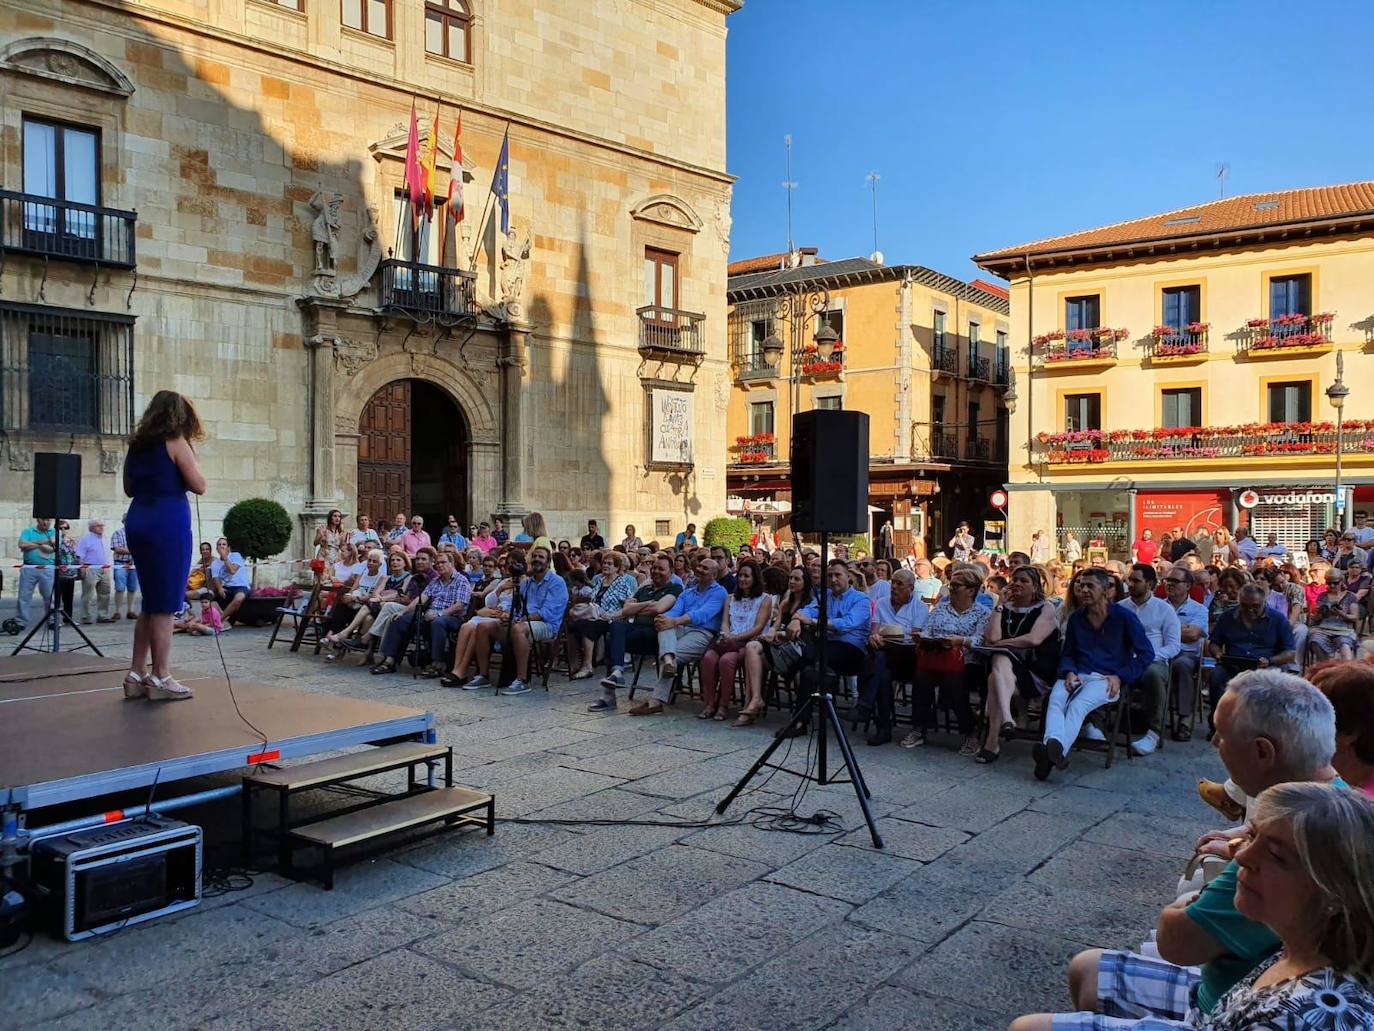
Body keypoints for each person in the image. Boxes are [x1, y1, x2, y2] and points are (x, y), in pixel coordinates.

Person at [1018, 671, 1348, 1030]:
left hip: (1229, 1008)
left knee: (1028, 1027)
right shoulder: (1338, 804)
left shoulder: (1289, 839)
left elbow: (1178, 941)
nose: (1214, 743)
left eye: (1221, 734)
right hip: (1248, 988)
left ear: (1262, 751)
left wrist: (1182, 906)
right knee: (1087, 969)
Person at [1012, 779, 1374, 1031]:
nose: (1244, 856)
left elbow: (1180, 942)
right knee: (1085, 972)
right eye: (1251, 836)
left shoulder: (1303, 1015)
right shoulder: (1309, 944)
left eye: (1276, 856)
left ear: (1332, 893)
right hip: (1214, 1016)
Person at [120, 391, 207, 701]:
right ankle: (161, 675)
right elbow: (199, 485)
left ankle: (135, 673)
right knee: (167, 604)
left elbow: (129, 488)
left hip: (139, 520)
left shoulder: (137, 445)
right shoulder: (176, 442)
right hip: (167, 523)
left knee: (150, 601)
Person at [1033, 567, 1153, 780]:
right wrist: (1069, 671)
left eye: (1090, 586)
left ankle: (1050, 751)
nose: (1083, 590)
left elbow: (1146, 654)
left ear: (1106, 590)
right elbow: (1068, 652)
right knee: (1056, 699)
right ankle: (1054, 752)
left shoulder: (1125, 618)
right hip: (1077, 673)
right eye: (1080, 585)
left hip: (1108, 678)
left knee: (1078, 705)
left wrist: (1121, 676)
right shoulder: (1077, 618)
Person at [977, 566, 1061, 762]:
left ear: (1035, 587)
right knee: (998, 664)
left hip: (1036, 670)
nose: (1017, 584)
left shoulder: (1045, 608)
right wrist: (999, 604)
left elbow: (1033, 640)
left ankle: (993, 741)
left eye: (1024, 581)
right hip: (1008, 675)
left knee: (997, 664)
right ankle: (1006, 721)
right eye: (1015, 579)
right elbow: (992, 637)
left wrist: (1001, 644)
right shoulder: (1004, 607)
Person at [628, 557, 726, 717]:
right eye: (699, 565)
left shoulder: (719, 593)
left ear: (714, 575)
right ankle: (668, 662)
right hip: (680, 628)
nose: (699, 569)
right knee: (664, 627)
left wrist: (674, 621)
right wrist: (665, 618)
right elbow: (674, 611)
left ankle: (657, 699)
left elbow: (702, 615)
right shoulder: (688, 592)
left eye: (705, 568)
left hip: (702, 633)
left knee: (671, 651)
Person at [904, 567, 988, 750]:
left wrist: (961, 641)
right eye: (950, 585)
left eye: (956, 586)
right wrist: (923, 636)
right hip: (937, 657)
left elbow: (982, 640)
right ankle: (919, 728)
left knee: (953, 682)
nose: (951, 589)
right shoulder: (941, 608)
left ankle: (969, 731)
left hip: (967, 662)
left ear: (971, 590)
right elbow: (928, 628)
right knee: (921, 678)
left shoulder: (982, 613)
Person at [592, 554, 683, 711]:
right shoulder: (645, 588)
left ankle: (610, 690)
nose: (656, 571)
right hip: (635, 630)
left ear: (671, 571)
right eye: (654, 568)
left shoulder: (675, 588)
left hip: (655, 635)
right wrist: (648, 603)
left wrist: (637, 607)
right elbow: (626, 609)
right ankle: (617, 673)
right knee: (615, 628)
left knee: (614, 637)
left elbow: (659, 608)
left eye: (661, 569)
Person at [853, 569, 927, 745]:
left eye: (899, 584)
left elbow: (916, 638)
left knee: (877, 662)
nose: (893, 586)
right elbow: (874, 632)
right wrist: (875, 637)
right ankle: (883, 728)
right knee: (881, 670)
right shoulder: (881, 603)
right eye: (893, 582)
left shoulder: (920, 608)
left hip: (908, 657)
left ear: (910, 588)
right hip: (885, 655)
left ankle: (865, 707)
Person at [1117, 563, 1181, 756]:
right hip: (1124, 661)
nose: (1131, 585)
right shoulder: (1119, 608)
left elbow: (1173, 645)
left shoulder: (1164, 610)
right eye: (1129, 580)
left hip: (1153, 661)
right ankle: (1094, 724)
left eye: (1136, 580)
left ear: (1150, 583)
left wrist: (1150, 657)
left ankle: (1153, 733)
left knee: (1152, 674)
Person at [698, 559, 772, 721]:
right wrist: (726, 635)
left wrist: (735, 637)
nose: (742, 579)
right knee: (709, 658)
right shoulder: (730, 598)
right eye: (740, 576)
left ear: (755, 579)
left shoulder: (764, 599)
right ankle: (709, 703)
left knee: (727, 660)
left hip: (748, 642)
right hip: (728, 639)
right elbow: (725, 622)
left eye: (747, 576)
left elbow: (758, 627)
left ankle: (724, 705)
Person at [1208, 584, 1296, 718]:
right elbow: (1214, 642)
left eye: (1255, 606)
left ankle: (1261, 725)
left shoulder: (1277, 619)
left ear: (1263, 602)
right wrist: (1218, 654)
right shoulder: (1228, 617)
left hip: (1265, 666)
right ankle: (1218, 721)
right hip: (1232, 663)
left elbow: (1290, 653)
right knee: (1216, 677)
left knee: (1268, 683)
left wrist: (1270, 661)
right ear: (1239, 603)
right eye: (1245, 606)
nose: (1250, 610)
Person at [498, 544, 569, 695]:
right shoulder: (527, 582)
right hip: (525, 621)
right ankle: (483, 675)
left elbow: (547, 612)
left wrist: (521, 619)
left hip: (547, 625)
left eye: (541, 557)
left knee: (518, 628)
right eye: (534, 556)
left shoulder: (557, 582)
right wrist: (507, 614)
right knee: (487, 627)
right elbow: (517, 605)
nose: (537, 559)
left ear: (548, 562)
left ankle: (523, 680)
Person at [567, 551, 638, 680]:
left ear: (617, 567)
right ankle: (575, 663)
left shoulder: (622, 583)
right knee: (573, 625)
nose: (606, 566)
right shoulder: (599, 581)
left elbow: (629, 606)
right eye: (604, 563)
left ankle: (588, 665)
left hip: (613, 618)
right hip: (596, 615)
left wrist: (611, 615)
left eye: (610, 564)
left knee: (588, 625)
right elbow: (593, 599)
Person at [368, 550, 434, 673]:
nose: (419, 561)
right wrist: (405, 600)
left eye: (423, 559)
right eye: (418, 559)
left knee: (392, 612)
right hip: (410, 606)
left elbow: (424, 600)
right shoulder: (416, 576)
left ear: (431, 561)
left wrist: (404, 608)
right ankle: (386, 657)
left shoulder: (433, 577)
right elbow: (409, 597)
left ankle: (380, 649)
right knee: (391, 616)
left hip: (424, 611)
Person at [1162, 567, 1209, 741]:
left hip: (1186, 654)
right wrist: (1182, 630)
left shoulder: (1199, 610)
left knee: (1182, 665)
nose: (1169, 584)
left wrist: (1165, 631)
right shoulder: (1158, 605)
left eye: (1175, 581)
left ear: (1188, 585)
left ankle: (1185, 719)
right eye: (1167, 580)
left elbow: (1193, 635)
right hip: (1161, 652)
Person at [1307, 569, 1360, 663]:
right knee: (1315, 641)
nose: (1332, 585)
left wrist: (1342, 614)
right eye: (1329, 583)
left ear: (1341, 582)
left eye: (1335, 583)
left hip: (1343, 630)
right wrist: (1321, 614)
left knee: (1345, 650)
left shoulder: (1350, 596)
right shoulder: (1322, 596)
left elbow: (1355, 617)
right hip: (1323, 628)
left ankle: (1346, 673)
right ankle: (1326, 667)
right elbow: (1315, 618)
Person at [17, 516, 57, 630]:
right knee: (24, 595)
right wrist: (43, 542)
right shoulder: (28, 531)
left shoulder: (54, 531)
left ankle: (52, 620)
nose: (46, 522)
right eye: (43, 519)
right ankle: (21, 621)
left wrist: (32, 544)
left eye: (48, 520)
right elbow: (22, 545)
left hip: (48, 568)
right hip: (29, 567)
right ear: (38, 520)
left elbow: (54, 544)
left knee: (49, 596)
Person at [75, 518, 115, 624]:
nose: (101, 527)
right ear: (92, 528)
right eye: (98, 525)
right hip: (90, 568)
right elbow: (80, 555)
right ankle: (86, 617)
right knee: (88, 594)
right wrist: (82, 567)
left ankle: (103, 615)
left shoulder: (105, 538)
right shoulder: (86, 539)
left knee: (105, 593)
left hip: (105, 568)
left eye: (102, 525)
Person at [211, 537, 252, 625]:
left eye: (224, 544)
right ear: (216, 548)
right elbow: (216, 578)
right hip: (227, 587)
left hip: (241, 586)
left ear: (228, 547)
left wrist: (225, 557)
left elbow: (232, 570)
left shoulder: (236, 556)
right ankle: (219, 619)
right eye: (219, 545)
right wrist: (219, 588)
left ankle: (219, 621)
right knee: (211, 601)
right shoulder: (215, 563)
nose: (221, 546)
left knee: (239, 598)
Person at [109, 519, 139, 621]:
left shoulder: (138, 534)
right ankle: (117, 611)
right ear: (124, 522)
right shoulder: (118, 533)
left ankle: (131, 611)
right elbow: (117, 549)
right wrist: (134, 551)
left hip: (134, 565)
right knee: (120, 588)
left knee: (132, 588)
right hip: (120, 564)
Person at [312, 508, 346, 578]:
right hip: (324, 556)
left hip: (335, 557)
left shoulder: (340, 531)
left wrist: (345, 538)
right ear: (330, 517)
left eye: (339, 516)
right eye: (335, 516)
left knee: (333, 578)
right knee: (322, 578)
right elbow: (315, 543)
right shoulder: (323, 529)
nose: (337, 518)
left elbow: (341, 547)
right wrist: (320, 535)